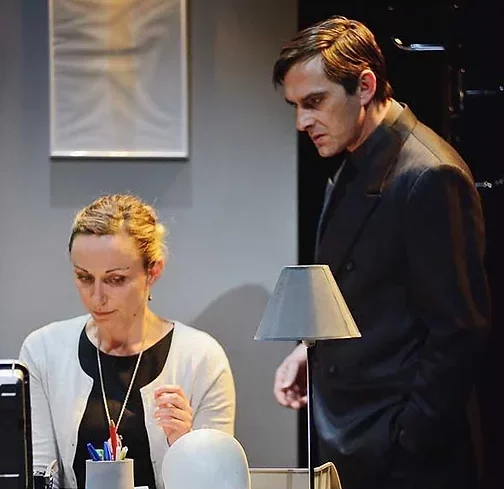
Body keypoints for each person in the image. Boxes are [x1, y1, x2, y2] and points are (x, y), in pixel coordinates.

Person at [271, 15, 491, 489]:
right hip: (352, 440)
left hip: (405, 461)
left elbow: (458, 331)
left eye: (314, 102)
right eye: (296, 106)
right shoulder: (354, 156)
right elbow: (362, 291)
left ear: (365, 86)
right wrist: (312, 350)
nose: (302, 122)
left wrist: (407, 439)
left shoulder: (430, 176)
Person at [19, 194, 236, 489]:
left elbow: (218, 483)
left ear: (153, 271)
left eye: (115, 279)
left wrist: (186, 447)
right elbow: (36, 475)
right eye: (84, 277)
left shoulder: (201, 359)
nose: (97, 297)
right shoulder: (43, 352)